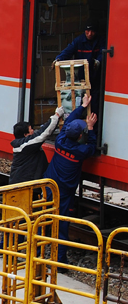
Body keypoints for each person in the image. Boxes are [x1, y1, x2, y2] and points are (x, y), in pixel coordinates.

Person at [0, 107, 63, 255]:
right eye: (31, 129)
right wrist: (56, 116)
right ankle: (11, 249)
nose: (33, 130)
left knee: (16, 218)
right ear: (26, 134)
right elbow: (43, 134)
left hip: (24, 186)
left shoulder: (22, 145)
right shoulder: (26, 145)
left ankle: (5, 248)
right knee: (21, 219)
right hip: (23, 188)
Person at [43, 93, 97, 266]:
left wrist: (82, 106)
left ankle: (36, 251)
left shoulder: (60, 140)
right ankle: (59, 260)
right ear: (81, 137)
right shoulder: (81, 151)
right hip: (64, 192)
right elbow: (92, 147)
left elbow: (68, 122)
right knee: (61, 222)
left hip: (49, 184)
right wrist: (91, 128)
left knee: (41, 216)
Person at [52, 19, 106, 116]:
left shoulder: (100, 40)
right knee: (78, 102)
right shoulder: (79, 41)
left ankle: (93, 127)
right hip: (80, 78)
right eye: (87, 31)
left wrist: (98, 61)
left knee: (94, 104)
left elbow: (103, 52)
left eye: (92, 31)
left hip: (95, 78)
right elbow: (68, 51)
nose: (89, 34)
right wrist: (58, 59)